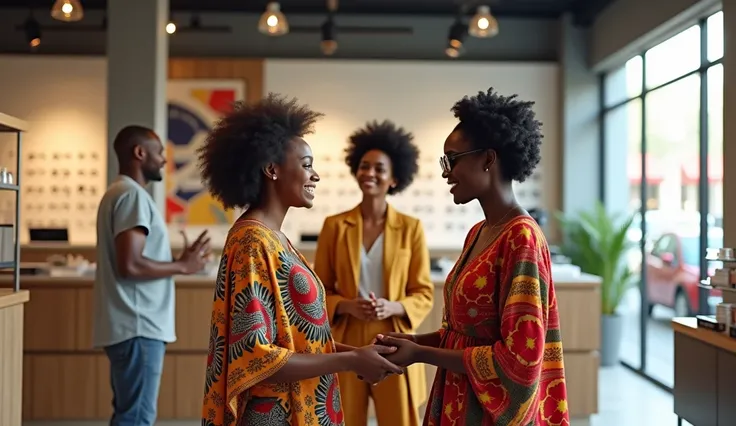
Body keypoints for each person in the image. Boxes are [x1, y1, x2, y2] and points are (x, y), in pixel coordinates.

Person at [197, 94, 404, 426]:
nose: (315, 175)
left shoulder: (274, 238)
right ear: (272, 169)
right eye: (306, 164)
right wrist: (351, 359)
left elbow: (298, 339)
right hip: (275, 413)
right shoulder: (253, 241)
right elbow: (255, 355)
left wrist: (356, 353)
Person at [374, 88, 570, 425]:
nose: (446, 172)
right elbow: (463, 335)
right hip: (458, 401)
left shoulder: (520, 238)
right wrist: (414, 342)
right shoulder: (478, 232)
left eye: (452, 159)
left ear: (488, 160)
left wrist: (422, 353)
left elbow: (520, 361)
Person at [313, 120, 434, 426]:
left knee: (399, 419)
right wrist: (345, 304)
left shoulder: (411, 228)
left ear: (394, 179)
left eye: (379, 168)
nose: (370, 173)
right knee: (343, 416)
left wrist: (393, 305)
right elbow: (319, 290)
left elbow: (423, 292)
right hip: (347, 335)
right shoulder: (334, 226)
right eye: (364, 166)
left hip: (394, 337)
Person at [92, 125, 211, 426]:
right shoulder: (132, 196)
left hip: (131, 325)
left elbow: (133, 259)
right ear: (139, 153)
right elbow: (130, 264)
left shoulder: (119, 194)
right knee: (137, 418)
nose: (163, 160)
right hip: (138, 326)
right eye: (159, 153)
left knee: (128, 413)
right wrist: (182, 267)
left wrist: (177, 261)